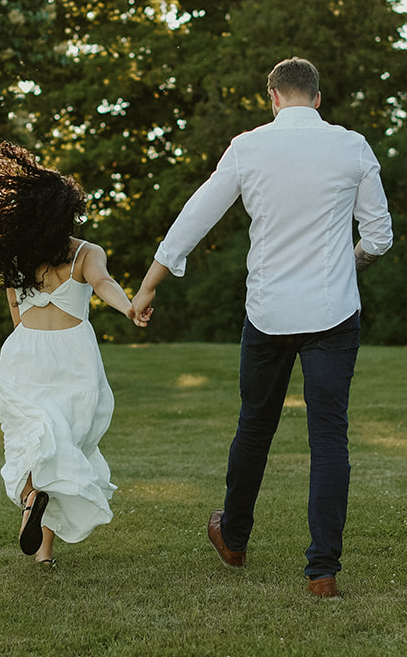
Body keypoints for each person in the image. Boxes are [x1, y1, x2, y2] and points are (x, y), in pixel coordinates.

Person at [130, 57, 392, 597]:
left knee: (254, 426)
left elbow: (196, 214)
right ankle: (323, 571)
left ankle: (234, 537)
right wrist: (352, 261)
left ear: (272, 97)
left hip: (268, 314)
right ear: (317, 99)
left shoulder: (248, 147)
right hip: (333, 314)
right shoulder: (352, 146)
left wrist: (151, 281)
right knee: (328, 438)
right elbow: (381, 236)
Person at [0, 142, 147, 567]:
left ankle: (32, 502)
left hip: (23, 355)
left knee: (34, 440)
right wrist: (129, 308)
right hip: (74, 360)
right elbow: (103, 284)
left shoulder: (17, 257)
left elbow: (15, 311)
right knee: (60, 443)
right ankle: (42, 546)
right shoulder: (85, 253)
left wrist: (25, 350)